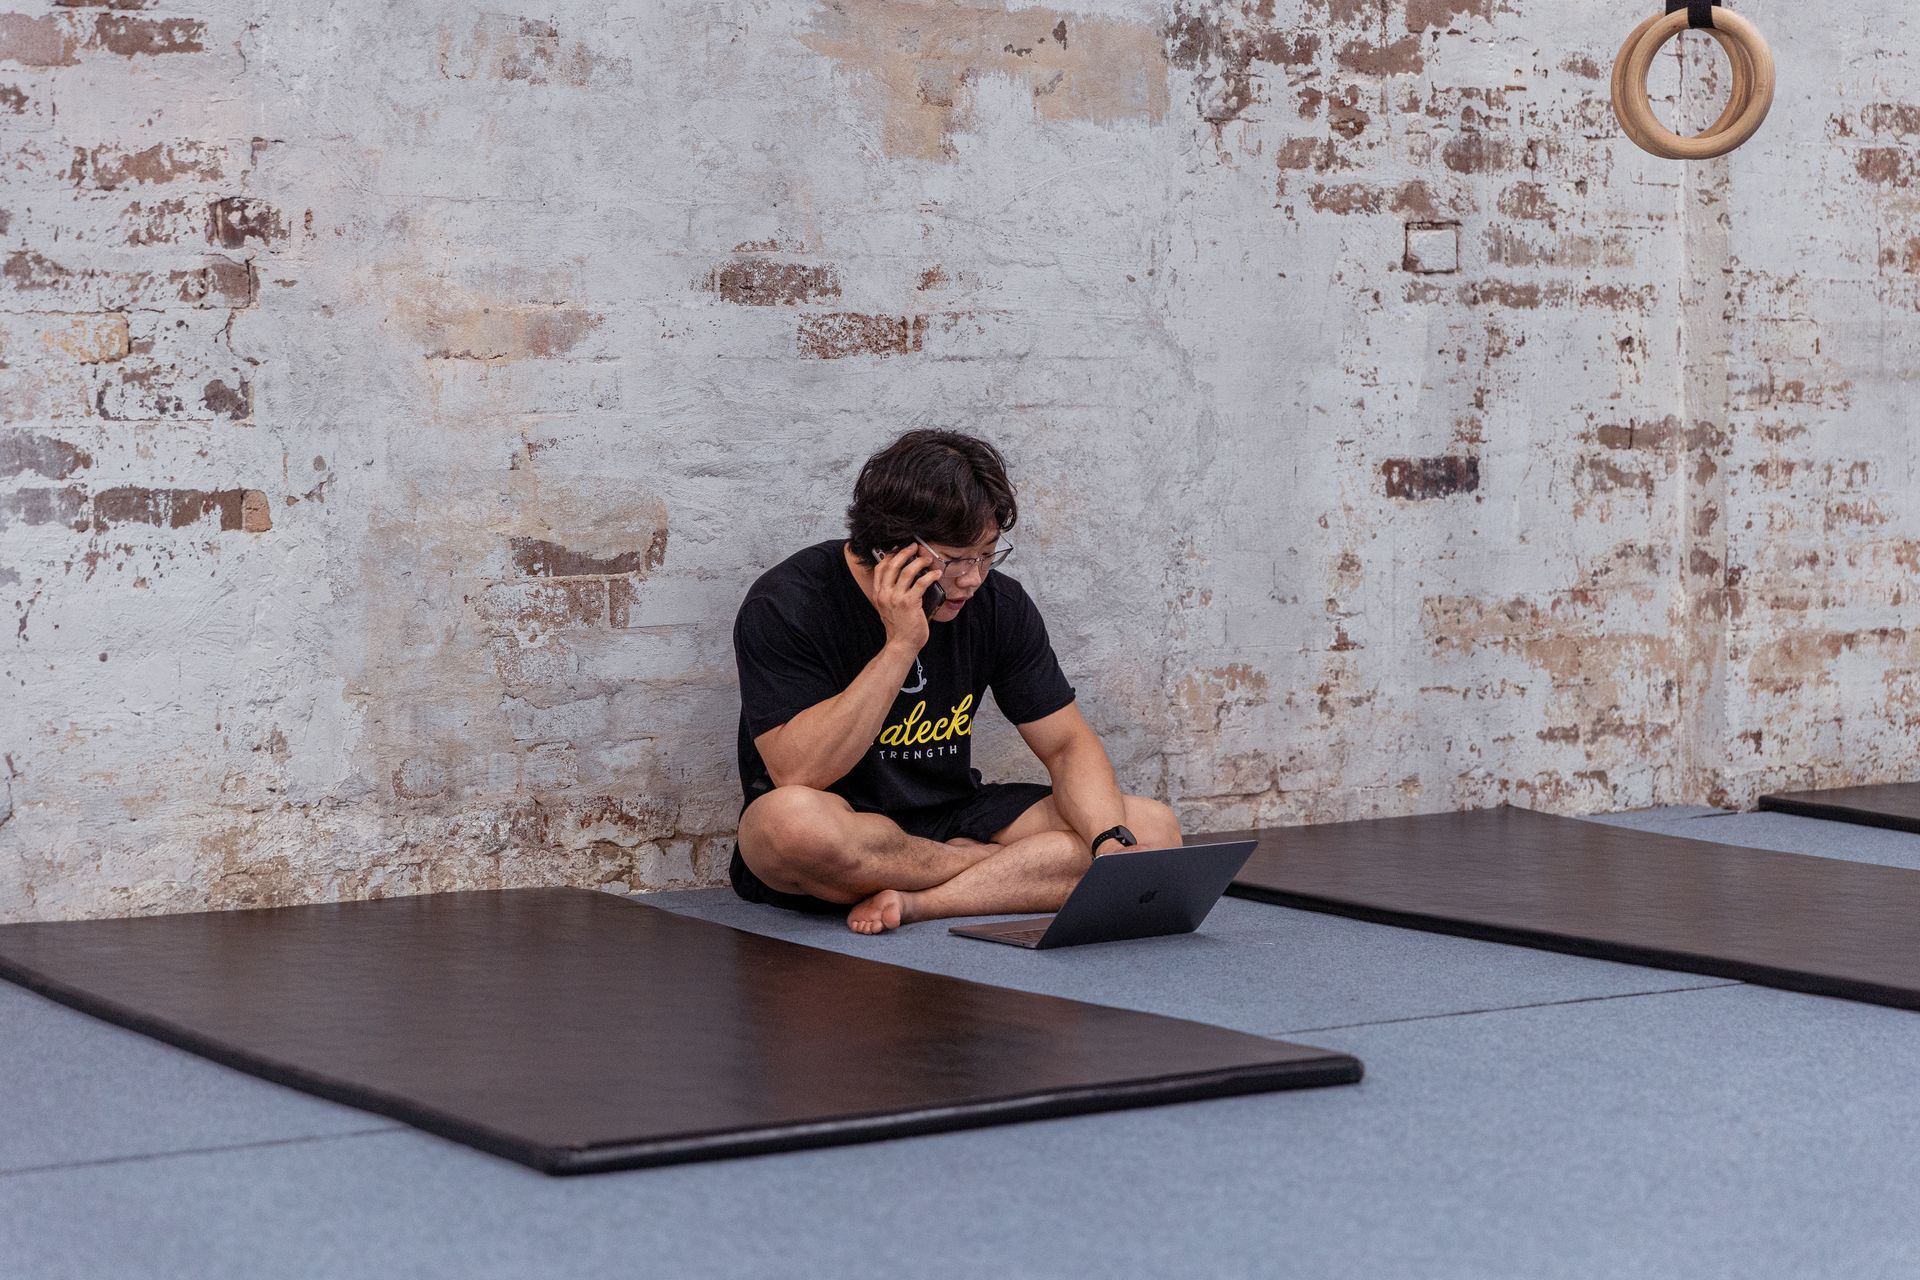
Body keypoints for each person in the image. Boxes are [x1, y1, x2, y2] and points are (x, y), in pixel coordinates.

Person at [729, 428, 1182, 934]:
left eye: (988, 554)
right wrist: (901, 645)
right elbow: (799, 772)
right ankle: (989, 874)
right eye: (955, 559)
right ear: (889, 547)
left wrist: (1107, 842)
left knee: (1151, 831)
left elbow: (1066, 746)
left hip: (951, 813)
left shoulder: (998, 605)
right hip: (841, 820)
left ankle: (923, 901)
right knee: (788, 825)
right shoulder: (789, 601)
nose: (973, 578)